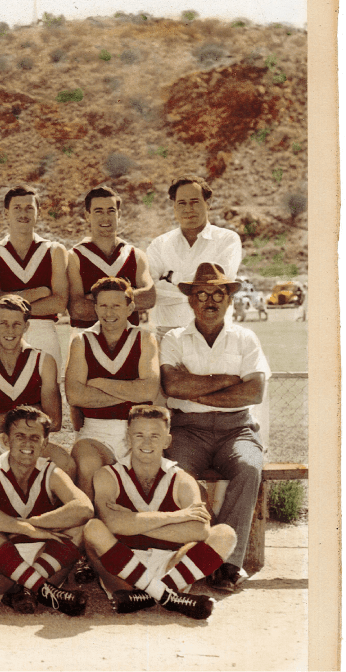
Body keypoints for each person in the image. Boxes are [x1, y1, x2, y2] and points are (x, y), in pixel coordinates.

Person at [160, 262, 268, 592]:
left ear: (229, 300)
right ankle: (194, 554)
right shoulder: (174, 338)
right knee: (175, 471)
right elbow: (173, 386)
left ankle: (228, 564)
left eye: (218, 293)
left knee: (249, 467)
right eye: (202, 294)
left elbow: (254, 391)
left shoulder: (245, 338)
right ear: (190, 300)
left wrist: (196, 389)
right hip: (187, 430)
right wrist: (227, 381)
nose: (210, 301)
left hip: (237, 429)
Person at [82, 405, 237, 619]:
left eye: (155, 436)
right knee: (93, 528)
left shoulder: (182, 479)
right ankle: (167, 596)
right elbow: (112, 524)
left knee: (225, 534)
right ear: (128, 438)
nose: (147, 443)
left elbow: (199, 530)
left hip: (171, 565)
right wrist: (175, 517)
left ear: (167, 441)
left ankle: (149, 596)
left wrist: (132, 523)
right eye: (139, 435)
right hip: (123, 567)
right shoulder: (107, 475)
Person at [0, 406, 93, 616]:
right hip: (0, 574)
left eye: (35, 438)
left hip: (45, 562)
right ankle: (42, 589)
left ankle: (30, 588)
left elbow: (84, 508)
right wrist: (21, 528)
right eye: (20, 436)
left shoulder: (50, 471)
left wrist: (32, 524)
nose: (27, 443)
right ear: (6, 440)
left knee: (82, 526)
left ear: (45, 443)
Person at [65, 277, 160, 501]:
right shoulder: (81, 341)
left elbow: (148, 391)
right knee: (87, 465)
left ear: (130, 308)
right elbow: (74, 395)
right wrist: (131, 393)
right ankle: (87, 521)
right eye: (103, 305)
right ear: (96, 307)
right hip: (95, 432)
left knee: (143, 491)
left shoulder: (145, 338)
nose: (109, 312)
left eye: (116, 305)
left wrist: (98, 383)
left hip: (138, 430)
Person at [0, 295, 71, 474]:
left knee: (66, 463)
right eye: (3, 323)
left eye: (17, 324)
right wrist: (36, 409)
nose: (10, 330)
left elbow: (54, 421)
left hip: (33, 438)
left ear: (26, 326)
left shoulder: (44, 361)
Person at [0, 185, 68, 372]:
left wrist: (7, 303)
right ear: (6, 213)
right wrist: (40, 292)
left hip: (44, 333)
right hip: (4, 334)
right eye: (17, 208)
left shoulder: (54, 250)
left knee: (47, 387)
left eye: (29, 208)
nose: (23, 213)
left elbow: (59, 303)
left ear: (38, 212)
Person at [147, 175, 242, 336]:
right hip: (167, 336)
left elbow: (216, 287)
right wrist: (197, 290)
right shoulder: (159, 244)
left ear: (208, 203)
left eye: (194, 202)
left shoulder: (227, 240)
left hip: (213, 336)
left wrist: (171, 279)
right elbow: (149, 292)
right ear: (174, 207)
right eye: (181, 203)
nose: (188, 208)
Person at [66, 186, 154, 331]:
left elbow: (149, 297)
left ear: (119, 214)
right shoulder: (74, 256)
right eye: (98, 211)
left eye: (111, 211)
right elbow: (77, 309)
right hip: (87, 339)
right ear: (87, 215)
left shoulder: (135, 255)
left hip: (129, 338)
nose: (105, 217)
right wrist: (127, 299)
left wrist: (95, 299)